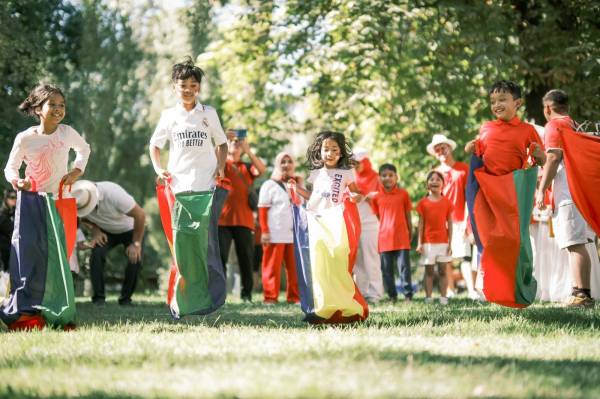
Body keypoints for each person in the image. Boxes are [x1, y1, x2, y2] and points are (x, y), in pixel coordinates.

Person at [1, 83, 90, 330]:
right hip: (31, 203)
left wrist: (76, 171)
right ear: (39, 108)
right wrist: (16, 181)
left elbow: (84, 149)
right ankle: (27, 315)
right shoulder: (26, 138)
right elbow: (10, 167)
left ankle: (59, 313)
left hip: (59, 202)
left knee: (57, 258)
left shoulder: (66, 133)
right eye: (53, 104)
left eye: (62, 105)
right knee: (30, 257)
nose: (59, 109)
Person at [465, 80, 546, 308]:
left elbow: (541, 159)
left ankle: (521, 287)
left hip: (512, 192)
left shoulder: (527, 130)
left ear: (517, 103)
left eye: (502, 100)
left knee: (517, 241)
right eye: (493, 101)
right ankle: (494, 290)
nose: (497, 105)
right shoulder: (486, 128)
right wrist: (469, 148)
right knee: (491, 240)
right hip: (488, 192)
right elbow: (477, 153)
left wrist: (539, 154)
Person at [292, 131, 368, 323]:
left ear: (341, 153)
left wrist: (355, 197)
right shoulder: (316, 174)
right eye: (326, 149)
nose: (330, 153)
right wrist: (297, 189)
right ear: (320, 151)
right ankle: (323, 308)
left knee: (337, 264)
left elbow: (358, 194)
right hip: (317, 223)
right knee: (320, 266)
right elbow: (313, 198)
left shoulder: (346, 173)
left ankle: (347, 307)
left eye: (335, 149)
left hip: (337, 223)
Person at [535, 89, 595, 307]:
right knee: (578, 243)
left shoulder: (554, 125)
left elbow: (553, 157)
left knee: (574, 244)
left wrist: (542, 188)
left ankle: (582, 294)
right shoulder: (574, 124)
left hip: (568, 192)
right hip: (581, 190)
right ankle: (579, 292)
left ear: (548, 108)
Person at [71, 180, 146, 306]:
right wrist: (95, 231)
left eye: (87, 207)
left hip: (129, 229)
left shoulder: (113, 194)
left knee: (135, 258)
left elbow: (141, 215)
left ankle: (126, 299)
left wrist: (136, 243)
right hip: (105, 232)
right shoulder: (79, 200)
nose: (86, 210)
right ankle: (99, 299)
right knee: (96, 255)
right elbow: (83, 219)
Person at [218, 129, 266, 302]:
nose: (236, 145)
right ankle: (219, 294)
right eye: (234, 142)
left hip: (244, 221)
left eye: (239, 143)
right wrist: (223, 139)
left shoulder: (246, 167)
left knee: (246, 259)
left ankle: (247, 295)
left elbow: (262, 169)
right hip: (222, 221)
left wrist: (247, 150)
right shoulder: (222, 164)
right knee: (220, 257)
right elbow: (216, 162)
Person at [427, 133, 475, 299]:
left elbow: (470, 194)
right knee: (444, 257)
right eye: (437, 149)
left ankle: (472, 290)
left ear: (449, 148)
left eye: (443, 147)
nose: (441, 151)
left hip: (461, 218)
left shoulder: (463, 169)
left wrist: (469, 222)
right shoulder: (434, 173)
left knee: (464, 256)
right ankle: (449, 290)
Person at [257, 152, 300, 304]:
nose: (286, 165)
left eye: (289, 161)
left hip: (294, 233)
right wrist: (265, 232)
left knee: (295, 268)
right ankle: (270, 297)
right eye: (283, 162)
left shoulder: (297, 184)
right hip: (274, 233)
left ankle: (294, 297)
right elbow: (262, 210)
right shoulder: (269, 185)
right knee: (272, 267)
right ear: (277, 164)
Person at [371, 163, 413, 302]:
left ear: (396, 177)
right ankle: (392, 296)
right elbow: (378, 217)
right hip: (384, 239)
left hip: (401, 238)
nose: (387, 178)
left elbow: (408, 215)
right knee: (387, 271)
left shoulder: (404, 194)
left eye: (390, 175)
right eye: (384, 175)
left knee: (404, 269)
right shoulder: (376, 197)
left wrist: (410, 231)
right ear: (379, 178)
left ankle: (408, 295)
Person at [352, 150, 385, 303]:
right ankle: (362, 291)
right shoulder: (350, 176)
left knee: (371, 257)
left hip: (370, 222)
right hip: (354, 221)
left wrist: (366, 194)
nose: (355, 166)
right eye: (353, 163)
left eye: (358, 163)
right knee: (357, 259)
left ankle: (376, 293)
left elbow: (381, 197)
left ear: (365, 162)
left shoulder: (375, 177)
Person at [416, 170, 453, 305]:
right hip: (428, 243)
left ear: (443, 184)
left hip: (443, 242)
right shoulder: (423, 203)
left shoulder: (447, 203)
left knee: (443, 271)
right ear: (427, 185)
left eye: (438, 179)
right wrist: (420, 243)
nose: (435, 181)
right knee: (429, 271)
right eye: (431, 179)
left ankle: (443, 298)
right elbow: (421, 224)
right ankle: (429, 297)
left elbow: (450, 223)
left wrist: (451, 243)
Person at [0, 189, 17, 273]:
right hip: (5, 256)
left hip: (13, 252)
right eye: (12, 197)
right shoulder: (2, 215)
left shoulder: (14, 212)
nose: (15, 199)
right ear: (6, 199)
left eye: (16, 197)